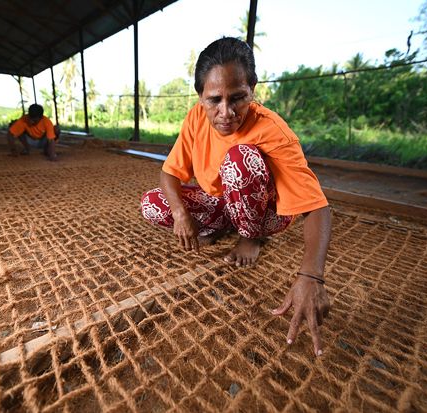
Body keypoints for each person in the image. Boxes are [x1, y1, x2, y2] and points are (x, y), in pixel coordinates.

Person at [140, 37, 332, 356]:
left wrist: (312, 275)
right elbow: (169, 173)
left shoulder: (273, 130)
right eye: (214, 100)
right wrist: (181, 214)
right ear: (200, 96)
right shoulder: (195, 118)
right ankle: (222, 227)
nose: (226, 112)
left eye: (238, 98)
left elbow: (317, 207)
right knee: (152, 203)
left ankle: (251, 237)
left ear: (253, 88)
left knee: (240, 159)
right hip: (223, 204)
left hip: (265, 212)